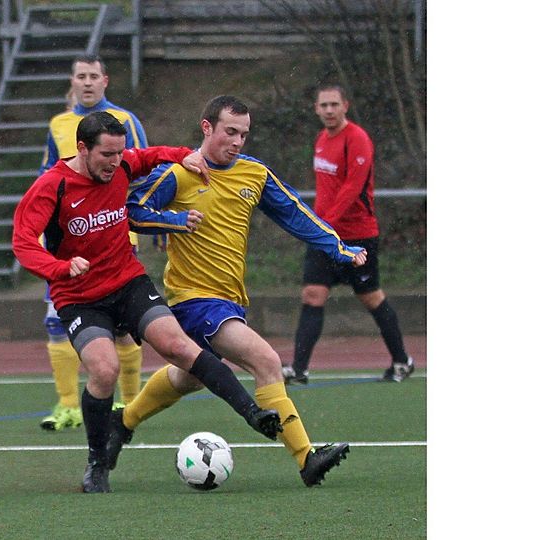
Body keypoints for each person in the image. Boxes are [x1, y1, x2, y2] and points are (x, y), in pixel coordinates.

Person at [12, 112, 282, 493]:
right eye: (106, 154)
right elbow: (23, 242)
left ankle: (253, 414)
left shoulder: (121, 164)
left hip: (128, 282)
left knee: (179, 346)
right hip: (79, 297)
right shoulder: (51, 186)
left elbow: (149, 155)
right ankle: (97, 461)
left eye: (120, 153)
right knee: (104, 371)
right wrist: (58, 267)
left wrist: (181, 155)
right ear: (82, 148)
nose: (115, 162)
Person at [119, 95, 368, 487]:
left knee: (189, 378)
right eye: (229, 132)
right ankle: (307, 459)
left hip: (230, 298)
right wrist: (174, 221)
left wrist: (340, 248)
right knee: (266, 362)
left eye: (244, 134)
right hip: (193, 299)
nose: (237, 141)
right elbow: (132, 211)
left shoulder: (254, 174)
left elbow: (295, 214)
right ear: (207, 128)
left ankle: (125, 420)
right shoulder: (179, 174)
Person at [35, 55, 150, 431]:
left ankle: (133, 403)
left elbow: (147, 173)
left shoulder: (125, 122)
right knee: (58, 322)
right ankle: (67, 405)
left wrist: (156, 221)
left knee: (121, 329)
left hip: (116, 236)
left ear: (105, 80)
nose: (87, 82)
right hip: (68, 244)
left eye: (93, 76)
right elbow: (47, 178)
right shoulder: (58, 124)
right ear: (73, 81)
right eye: (80, 76)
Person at [282, 84, 415, 385]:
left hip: (357, 236)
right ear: (316, 108)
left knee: (371, 297)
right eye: (323, 105)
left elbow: (352, 188)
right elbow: (326, 191)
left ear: (345, 106)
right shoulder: (320, 140)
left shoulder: (357, 139)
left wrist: (324, 223)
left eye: (334, 104)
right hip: (325, 236)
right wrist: (318, 226)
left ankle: (401, 361)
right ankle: (298, 369)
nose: (329, 110)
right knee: (312, 295)